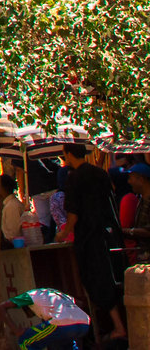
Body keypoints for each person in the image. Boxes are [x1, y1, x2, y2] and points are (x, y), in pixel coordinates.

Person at [59, 142, 125, 343]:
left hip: (90, 238)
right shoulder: (100, 173)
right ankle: (120, 325)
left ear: (69, 155)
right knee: (116, 278)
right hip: (111, 233)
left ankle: (117, 327)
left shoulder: (74, 179)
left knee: (98, 281)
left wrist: (63, 234)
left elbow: (73, 214)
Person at [0, 289, 95, 350]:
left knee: (25, 341)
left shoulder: (30, 296)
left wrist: (16, 330)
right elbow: (79, 303)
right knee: (63, 344)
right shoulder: (54, 293)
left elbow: (1, 307)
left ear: (27, 307)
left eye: (30, 313)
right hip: (84, 323)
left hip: (62, 324)